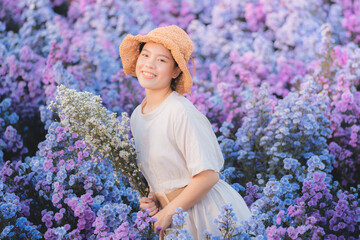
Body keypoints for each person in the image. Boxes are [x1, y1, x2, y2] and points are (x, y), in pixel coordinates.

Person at [119, 25, 251, 239]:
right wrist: (154, 198)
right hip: (174, 217)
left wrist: (169, 211)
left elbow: (208, 176)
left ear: (176, 70)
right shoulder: (137, 115)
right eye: (145, 55)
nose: (149, 64)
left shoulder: (179, 111)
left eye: (161, 60)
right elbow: (164, 172)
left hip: (206, 214)